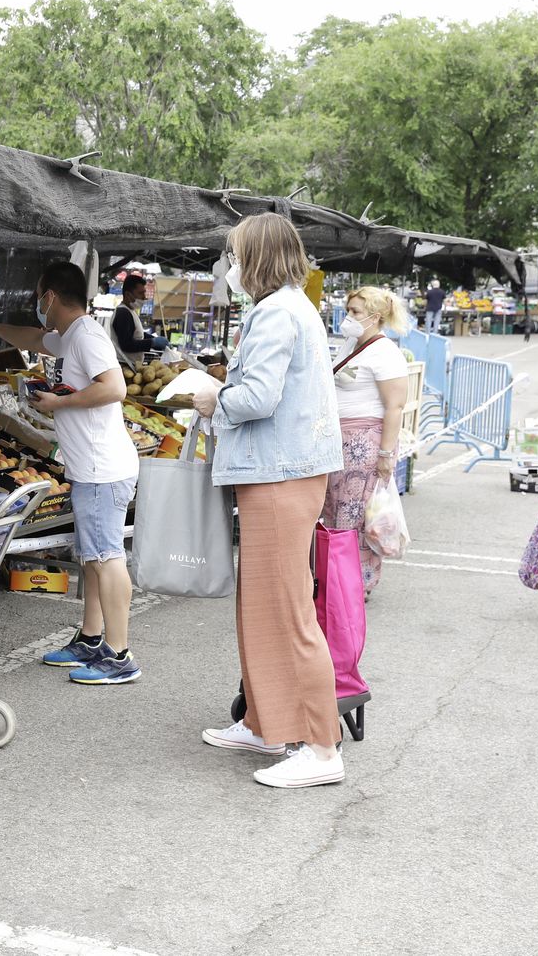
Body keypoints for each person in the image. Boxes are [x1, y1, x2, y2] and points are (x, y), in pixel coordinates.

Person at [191, 213, 347, 789]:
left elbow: (257, 397)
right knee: (262, 605)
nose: (228, 267)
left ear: (255, 257)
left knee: (286, 609)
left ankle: (321, 747)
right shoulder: (285, 306)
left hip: (280, 474)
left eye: (233, 255)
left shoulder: (278, 311)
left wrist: (211, 396)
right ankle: (265, 722)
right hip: (278, 471)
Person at [0, 262, 142, 685]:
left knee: (107, 557)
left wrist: (58, 404)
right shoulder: (68, 337)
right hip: (90, 468)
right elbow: (35, 338)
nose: (37, 303)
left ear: (50, 296)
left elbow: (115, 387)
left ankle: (120, 655)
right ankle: (90, 638)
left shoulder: (86, 336)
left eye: (38, 295)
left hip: (105, 469)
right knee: (92, 559)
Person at [323, 286, 410, 597]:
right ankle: (335, 577)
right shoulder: (351, 344)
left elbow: (395, 406)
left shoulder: (386, 353)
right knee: (337, 509)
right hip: (341, 442)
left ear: (375, 317)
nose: (349, 317)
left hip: (366, 445)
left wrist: (386, 454)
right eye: (348, 310)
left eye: (356, 312)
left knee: (358, 514)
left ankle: (356, 582)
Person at [110, 273, 166, 368]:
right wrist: (152, 342)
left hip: (131, 365)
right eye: (140, 293)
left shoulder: (130, 311)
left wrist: (153, 339)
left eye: (144, 292)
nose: (144, 297)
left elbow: (138, 335)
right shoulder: (123, 313)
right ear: (128, 294)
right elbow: (127, 344)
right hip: (124, 365)